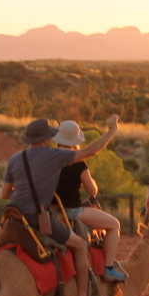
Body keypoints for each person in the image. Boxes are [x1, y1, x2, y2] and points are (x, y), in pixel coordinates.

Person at [1, 116, 120, 296]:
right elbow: (91, 151)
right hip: (37, 218)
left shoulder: (15, 159)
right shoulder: (54, 156)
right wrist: (111, 130)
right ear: (46, 139)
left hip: (11, 216)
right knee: (81, 246)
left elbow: (4, 194)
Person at [52, 120, 127, 283]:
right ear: (76, 141)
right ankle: (108, 268)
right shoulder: (78, 162)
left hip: (51, 210)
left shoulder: (49, 157)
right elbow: (92, 191)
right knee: (114, 225)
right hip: (71, 210)